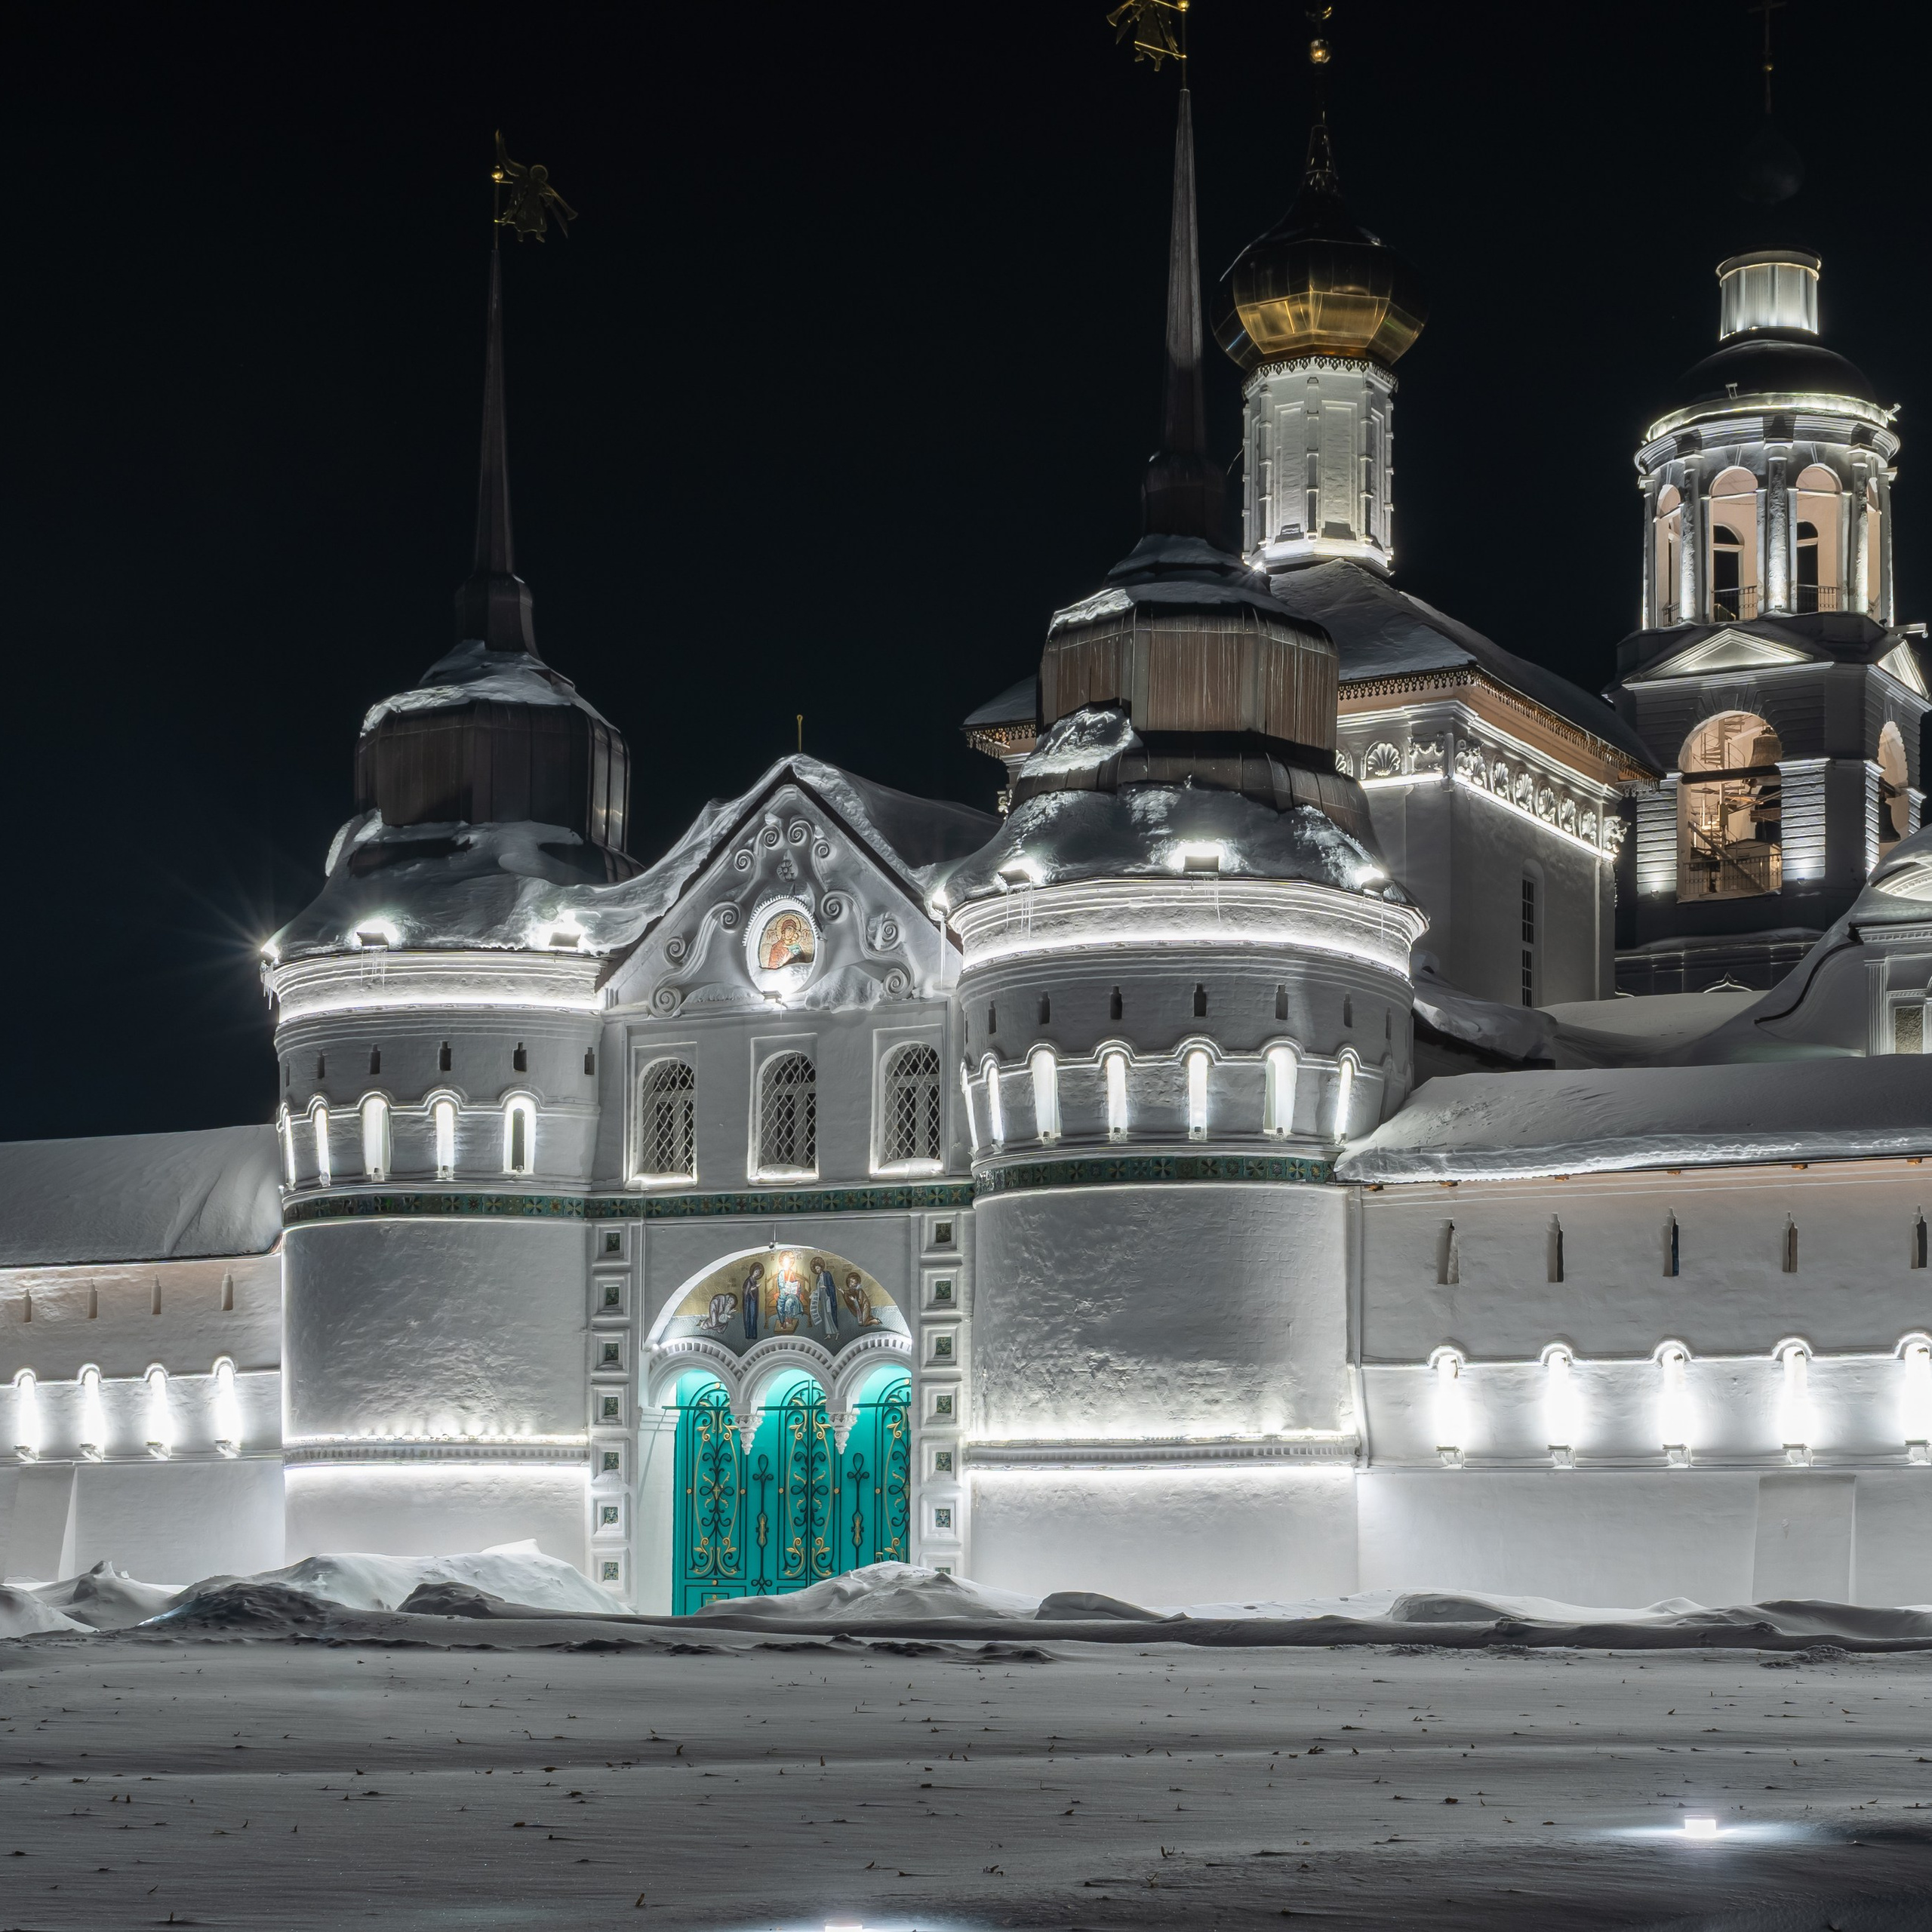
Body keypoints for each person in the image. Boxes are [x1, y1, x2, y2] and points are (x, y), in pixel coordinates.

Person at [741, 1262, 764, 1343]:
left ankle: (753, 1334)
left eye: (758, 1273)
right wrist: (754, 1288)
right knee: (750, 1317)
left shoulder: (754, 1281)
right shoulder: (749, 1280)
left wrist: (755, 1288)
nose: (757, 1274)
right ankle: (749, 1334)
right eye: (756, 1272)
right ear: (753, 1272)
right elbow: (746, 1292)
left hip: (753, 1302)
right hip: (749, 1302)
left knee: (754, 1317)